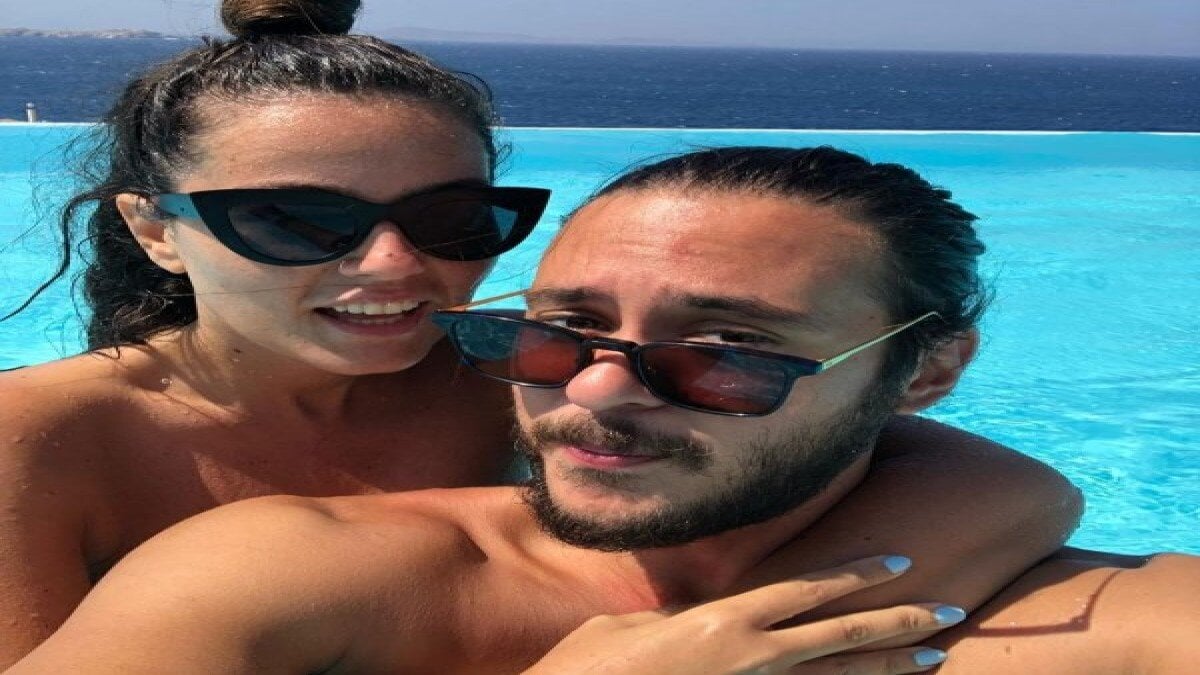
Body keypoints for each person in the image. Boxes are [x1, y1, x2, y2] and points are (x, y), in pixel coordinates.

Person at [0, 0, 1076, 666]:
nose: (394, 265)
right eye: (294, 220)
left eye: (451, 219)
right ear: (155, 230)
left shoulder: (536, 372)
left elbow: (1005, 485)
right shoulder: (36, 442)